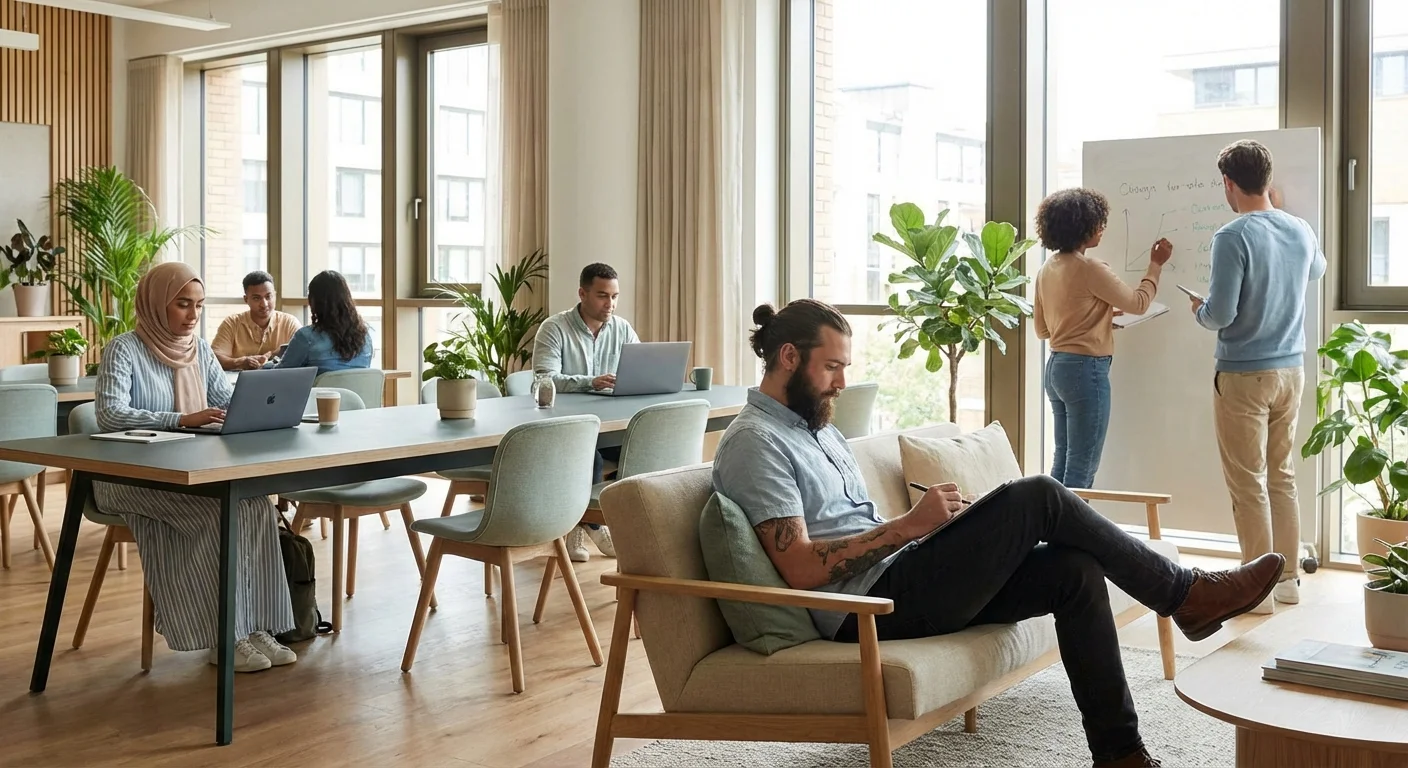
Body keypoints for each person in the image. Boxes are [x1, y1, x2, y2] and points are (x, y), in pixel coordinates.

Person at [712, 298, 1284, 768]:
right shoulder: (757, 444)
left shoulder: (817, 427)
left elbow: (861, 532)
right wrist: (910, 526)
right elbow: (803, 569)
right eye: (833, 366)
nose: (842, 381)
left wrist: (929, 533)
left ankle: (1121, 757)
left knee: (1073, 571)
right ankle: (1184, 594)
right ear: (789, 357)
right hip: (866, 611)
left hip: (901, 577)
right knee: (1038, 494)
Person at [94, 261, 297, 673]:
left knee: (255, 505)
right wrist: (179, 420)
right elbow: (110, 415)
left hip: (192, 472)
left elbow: (223, 401)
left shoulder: (200, 350)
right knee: (217, 511)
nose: (192, 315)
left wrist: (255, 404)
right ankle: (222, 636)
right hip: (131, 478)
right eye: (182, 305)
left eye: (199, 306)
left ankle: (254, 626)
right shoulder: (123, 348)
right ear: (155, 304)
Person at [1189, 139, 1326, 613]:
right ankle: (1286, 579)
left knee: (1248, 483)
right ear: (1268, 180)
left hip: (1245, 375)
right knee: (1281, 476)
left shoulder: (1233, 236)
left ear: (1229, 183)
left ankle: (1255, 591)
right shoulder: (1301, 230)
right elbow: (1318, 271)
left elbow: (1220, 313)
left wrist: (1198, 311)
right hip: (1292, 370)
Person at [1033, 188, 1174, 489]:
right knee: (1083, 466)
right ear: (1083, 227)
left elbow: (1044, 331)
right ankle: (1071, 535)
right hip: (1086, 371)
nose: (1102, 228)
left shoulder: (1047, 269)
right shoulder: (1091, 268)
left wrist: (1099, 319)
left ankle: (1051, 529)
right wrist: (1156, 266)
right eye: (1098, 222)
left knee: (1063, 458)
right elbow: (1137, 303)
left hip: (1056, 367)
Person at [532, 262, 640, 562]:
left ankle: (619, 522)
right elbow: (543, 379)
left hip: (610, 423)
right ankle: (586, 523)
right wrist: (589, 382)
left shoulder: (622, 329)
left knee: (642, 447)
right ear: (582, 293)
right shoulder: (554, 328)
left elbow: (639, 369)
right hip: (565, 426)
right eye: (603, 296)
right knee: (586, 452)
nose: (611, 304)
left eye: (615, 296)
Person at [277, 270, 373, 376]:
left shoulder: (306, 337)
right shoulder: (365, 337)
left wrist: (264, 366)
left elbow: (280, 374)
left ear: (313, 301)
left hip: (319, 393)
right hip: (358, 393)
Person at [210, 270, 302, 371]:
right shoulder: (231, 323)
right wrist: (240, 362)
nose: (264, 304)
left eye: (268, 296)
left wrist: (273, 354)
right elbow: (215, 358)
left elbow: (304, 355)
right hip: (239, 383)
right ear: (246, 299)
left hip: (280, 382)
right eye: (256, 298)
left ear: (275, 295)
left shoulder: (289, 323)